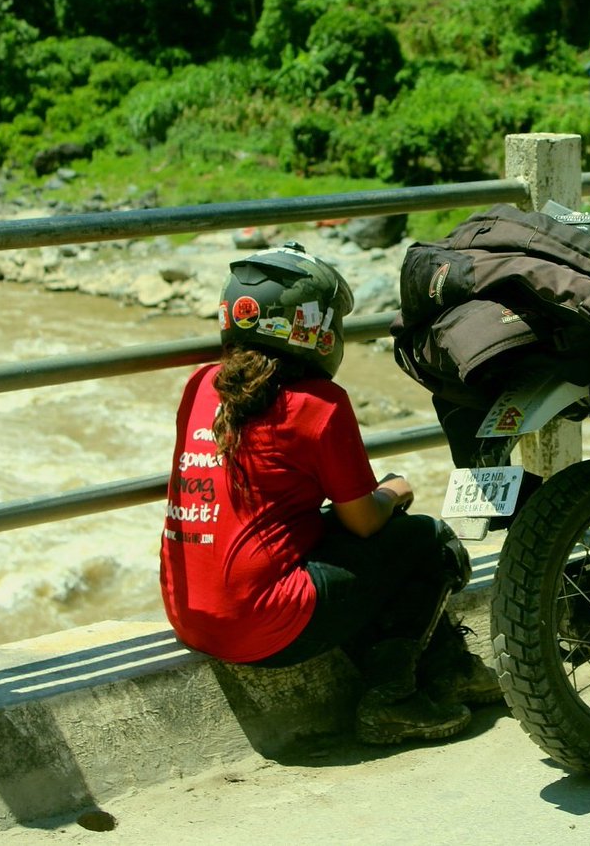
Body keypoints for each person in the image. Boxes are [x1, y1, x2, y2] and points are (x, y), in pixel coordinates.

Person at [159, 241, 500, 746]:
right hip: (258, 625)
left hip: (189, 614)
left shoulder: (202, 384)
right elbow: (364, 522)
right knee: (428, 540)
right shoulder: (317, 404)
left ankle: (447, 669)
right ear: (311, 326)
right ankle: (394, 700)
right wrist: (393, 492)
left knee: (352, 542)